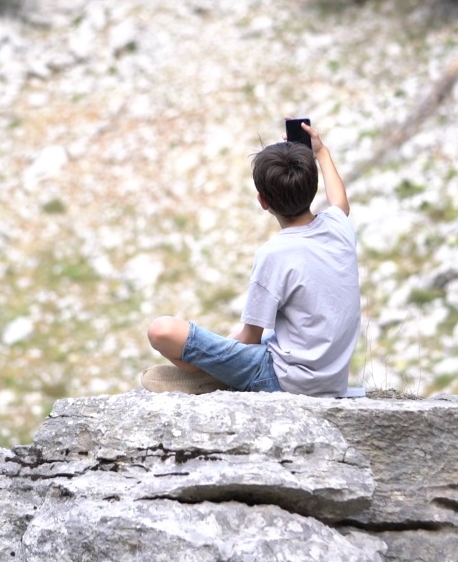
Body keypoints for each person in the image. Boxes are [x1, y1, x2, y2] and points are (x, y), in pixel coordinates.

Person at [141, 121, 361, 397]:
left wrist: (218, 353)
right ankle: (222, 372)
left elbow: (249, 339)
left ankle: (219, 376)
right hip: (332, 378)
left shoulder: (274, 254)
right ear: (313, 187)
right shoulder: (339, 227)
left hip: (285, 381)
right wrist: (322, 151)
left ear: (263, 201)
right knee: (265, 337)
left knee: (161, 331)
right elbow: (340, 202)